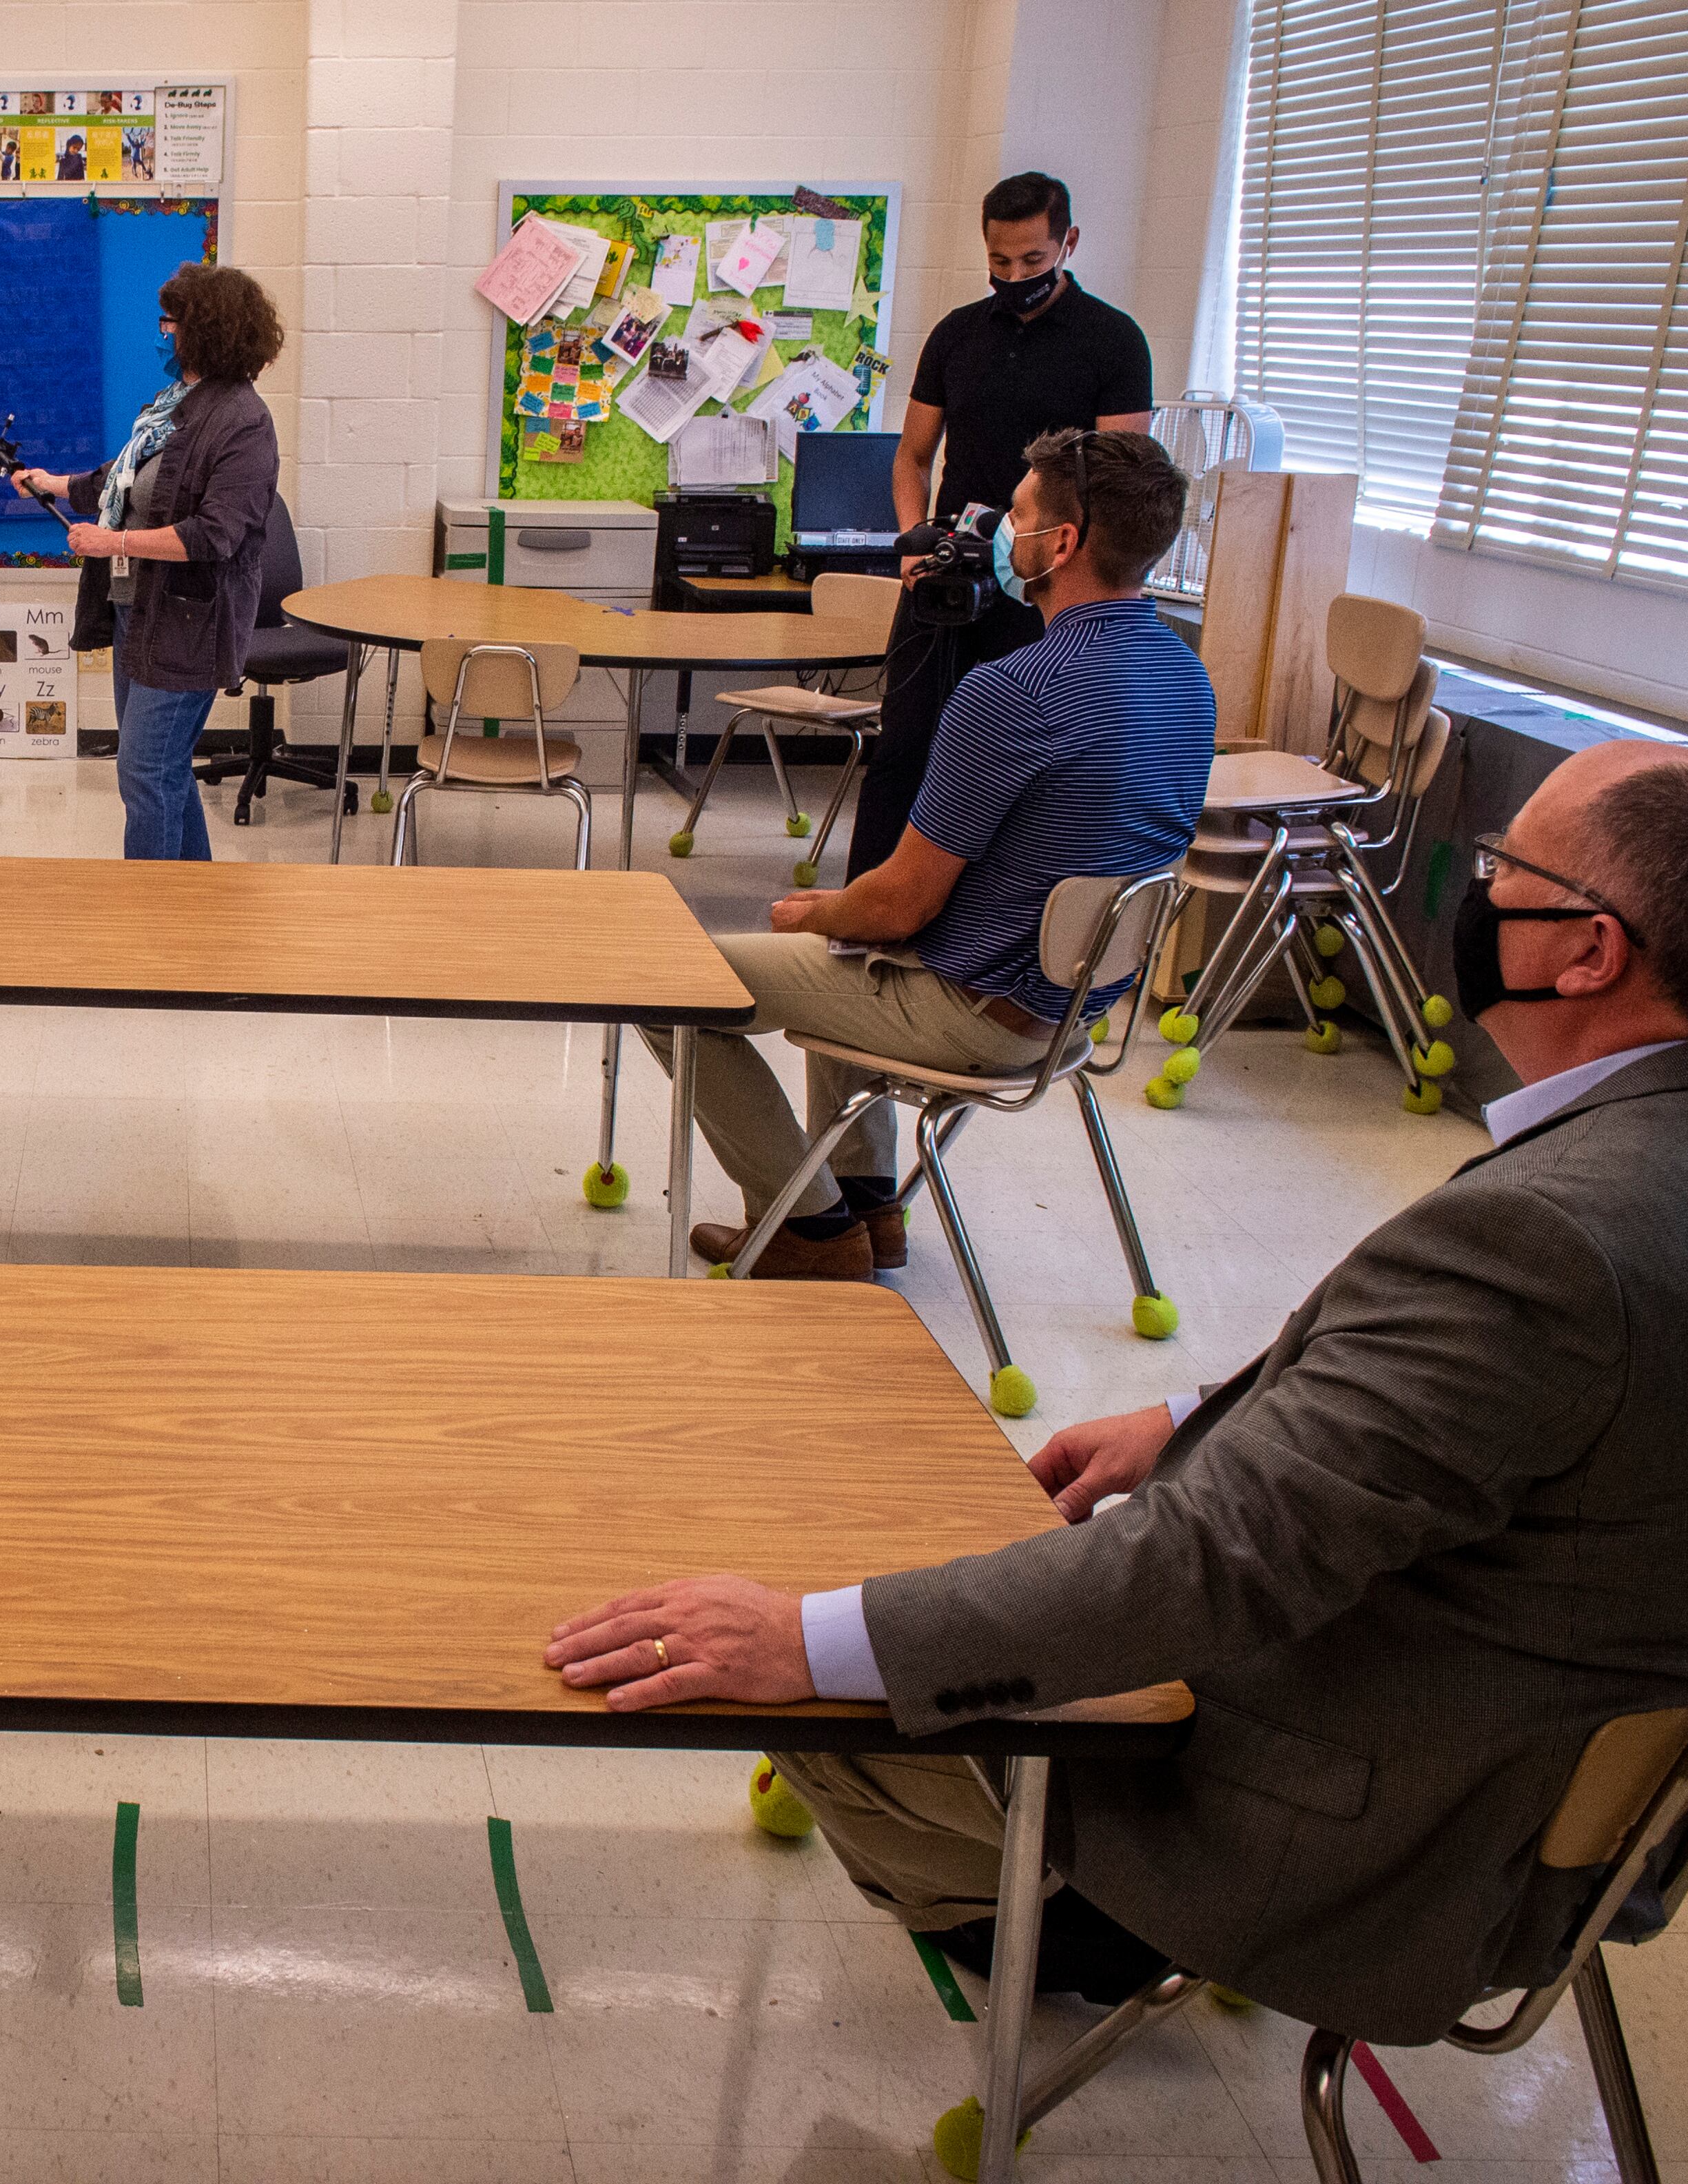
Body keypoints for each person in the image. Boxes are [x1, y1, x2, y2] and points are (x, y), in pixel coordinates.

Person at [548, 737, 1688, 2040]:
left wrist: (799, 1638)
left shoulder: (1550, 1237)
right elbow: (1489, 1409)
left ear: (1588, 950)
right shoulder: (1626, 1181)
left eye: (1500, 868)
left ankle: (1059, 1923)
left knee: (808, 1611)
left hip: (1349, 1835)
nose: (1473, 892)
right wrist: (1200, 1416)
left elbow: (1202, 1567)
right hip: (1536, 1797)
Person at [643, 428, 1207, 1278]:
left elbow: (897, 905)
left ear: (1060, 544)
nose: (991, 532)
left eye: (1012, 515)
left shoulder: (1015, 691)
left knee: (668, 983)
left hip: (975, 1011)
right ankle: (871, 1210)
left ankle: (810, 1234)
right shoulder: (1181, 676)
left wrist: (814, 912)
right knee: (837, 948)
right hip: (1069, 1007)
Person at [856, 173, 1155, 881]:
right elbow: (911, 457)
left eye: (1030, 261)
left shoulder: (1113, 342)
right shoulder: (956, 335)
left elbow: (1120, 482)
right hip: (947, 575)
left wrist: (1062, 568)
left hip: (1045, 589)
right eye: (998, 262)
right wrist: (912, 543)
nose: (1013, 276)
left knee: (1017, 758)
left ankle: (974, 920)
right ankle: (860, 914)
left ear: (1067, 244)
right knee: (903, 748)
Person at [14, 264, 285, 861]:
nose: (163, 332)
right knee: (164, 772)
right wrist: (52, 483)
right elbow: (127, 480)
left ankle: (151, 915)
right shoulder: (175, 405)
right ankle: (192, 900)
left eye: (173, 321)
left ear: (207, 330)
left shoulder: (244, 421)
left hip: (192, 623)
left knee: (143, 772)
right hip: (140, 612)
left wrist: (114, 544)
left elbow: (215, 534)